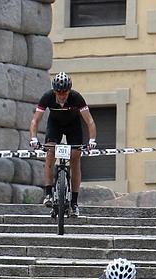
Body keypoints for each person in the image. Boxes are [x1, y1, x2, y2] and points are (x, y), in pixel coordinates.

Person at [29, 72, 97, 217]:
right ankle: (48, 194)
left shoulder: (76, 98)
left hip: (74, 127)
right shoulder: (47, 97)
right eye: (59, 92)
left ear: (69, 90)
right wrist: (33, 138)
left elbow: (90, 121)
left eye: (65, 92)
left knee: (75, 160)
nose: (62, 95)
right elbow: (35, 121)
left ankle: (74, 202)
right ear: (54, 91)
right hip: (55, 126)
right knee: (50, 153)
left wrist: (92, 140)